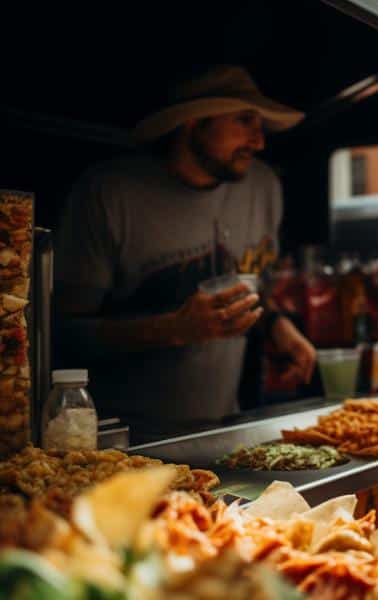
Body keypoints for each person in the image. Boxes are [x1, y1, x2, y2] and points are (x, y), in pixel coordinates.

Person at [53, 65, 316, 435]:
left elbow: (255, 285)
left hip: (225, 428)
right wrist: (174, 329)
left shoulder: (263, 185)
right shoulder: (110, 193)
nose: (259, 142)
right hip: (125, 438)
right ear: (193, 123)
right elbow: (62, 334)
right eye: (244, 121)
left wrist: (276, 326)